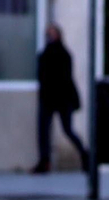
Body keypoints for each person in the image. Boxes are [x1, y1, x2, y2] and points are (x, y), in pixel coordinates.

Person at [34, 24, 89, 174]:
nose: (49, 37)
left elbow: (64, 77)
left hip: (62, 98)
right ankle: (44, 161)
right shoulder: (45, 53)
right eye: (48, 34)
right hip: (48, 98)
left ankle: (85, 155)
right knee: (43, 131)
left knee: (67, 129)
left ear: (58, 35)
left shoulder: (63, 54)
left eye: (52, 34)